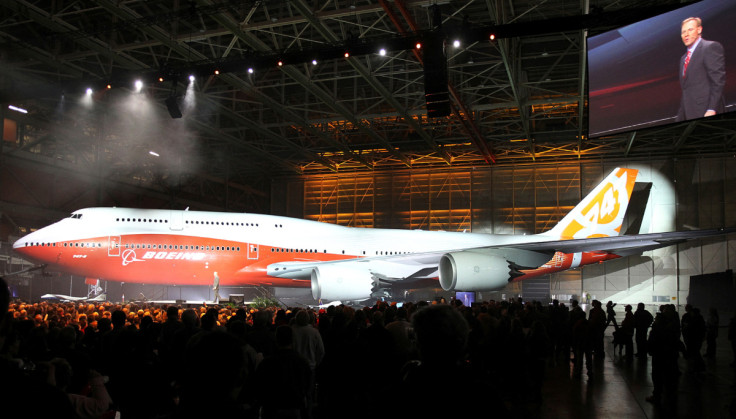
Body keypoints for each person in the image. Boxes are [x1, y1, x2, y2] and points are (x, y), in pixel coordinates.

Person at [675, 17, 726, 122]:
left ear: (699, 29)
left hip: (707, 111)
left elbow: (718, 81)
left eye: (690, 30)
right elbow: (686, 90)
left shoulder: (710, 47)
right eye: (683, 32)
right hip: (689, 112)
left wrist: (712, 109)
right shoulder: (683, 58)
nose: (686, 34)